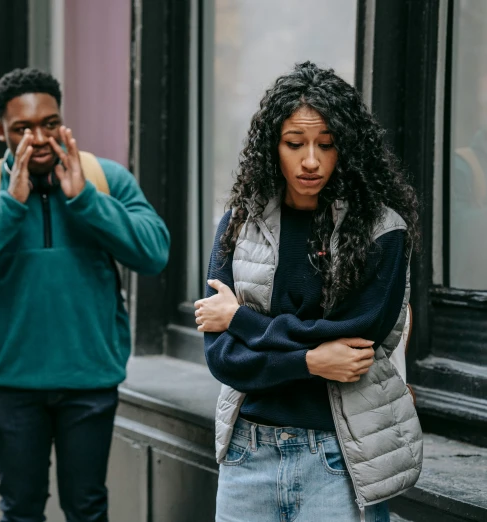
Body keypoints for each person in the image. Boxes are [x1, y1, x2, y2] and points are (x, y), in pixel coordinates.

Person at [0, 67, 169, 521]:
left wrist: (86, 201)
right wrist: (9, 204)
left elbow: (154, 253)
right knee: (20, 508)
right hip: (13, 384)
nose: (39, 138)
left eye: (49, 123)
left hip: (90, 380)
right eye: (23, 128)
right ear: (1, 130)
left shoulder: (106, 181)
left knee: (86, 507)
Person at [194, 62, 422, 522]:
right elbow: (223, 358)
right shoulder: (242, 223)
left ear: (348, 149)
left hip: (339, 457)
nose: (311, 160)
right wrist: (311, 360)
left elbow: (356, 338)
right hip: (246, 455)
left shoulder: (382, 230)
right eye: (295, 144)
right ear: (272, 147)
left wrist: (241, 319)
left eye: (327, 144)